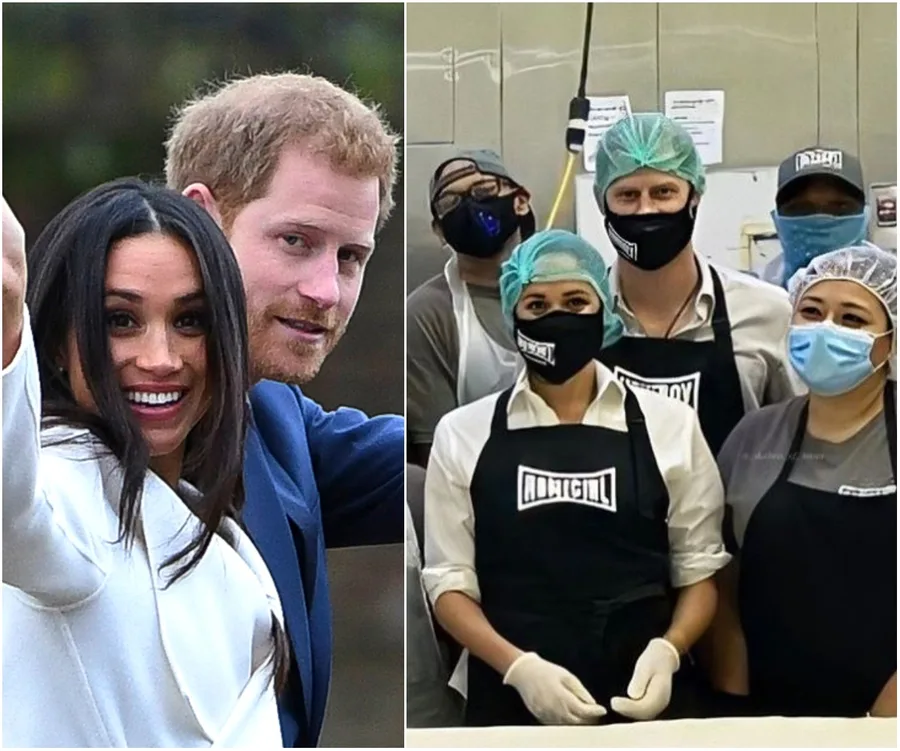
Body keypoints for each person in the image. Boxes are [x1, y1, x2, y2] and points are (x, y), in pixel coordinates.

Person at [165, 73, 404, 747]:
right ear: (203, 219)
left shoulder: (274, 416)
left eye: (351, 256)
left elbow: (447, 451)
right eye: (296, 240)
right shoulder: (51, 415)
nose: (326, 290)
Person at [2, 182, 285, 746]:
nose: (160, 359)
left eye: (191, 321)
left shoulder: (213, 522)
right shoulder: (68, 493)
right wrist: (8, 304)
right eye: (119, 321)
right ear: (57, 342)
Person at [422, 229, 732, 727]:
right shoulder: (463, 433)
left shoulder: (669, 423)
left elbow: (699, 571)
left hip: (644, 702)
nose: (558, 317)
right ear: (512, 317)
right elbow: (449, 584)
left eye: (575, 300)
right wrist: (517, 668)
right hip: (510, 706)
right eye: (537, 306)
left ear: (603, 311)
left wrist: (670, 651)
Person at [707, 245, 897, 718]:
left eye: (852, 319)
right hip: (769, 712)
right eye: (811, 312)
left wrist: (882, 722)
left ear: (890, 342)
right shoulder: (755, 434)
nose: (825, 328)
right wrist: (736, 697)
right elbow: (721, 573)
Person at [592, 113, 802, 458]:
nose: (647, 210)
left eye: (664, 192)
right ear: (604, 204)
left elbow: (798, 444)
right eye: (628, 195)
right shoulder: (580, 313)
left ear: (694, 198)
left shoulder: (767, 313)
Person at [407, 149, 536, 468]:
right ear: (439, 231)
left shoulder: (566, 285)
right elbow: (434, 455)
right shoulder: (428, 313)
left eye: (483, 191)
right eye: (450, 203)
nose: (469, 206)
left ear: (520, 200)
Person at [762, 146, 872, 288]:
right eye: (801, 209)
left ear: (864, 214)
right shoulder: (752, 299)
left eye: (839, 207)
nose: (820, 219)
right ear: (778, 218)